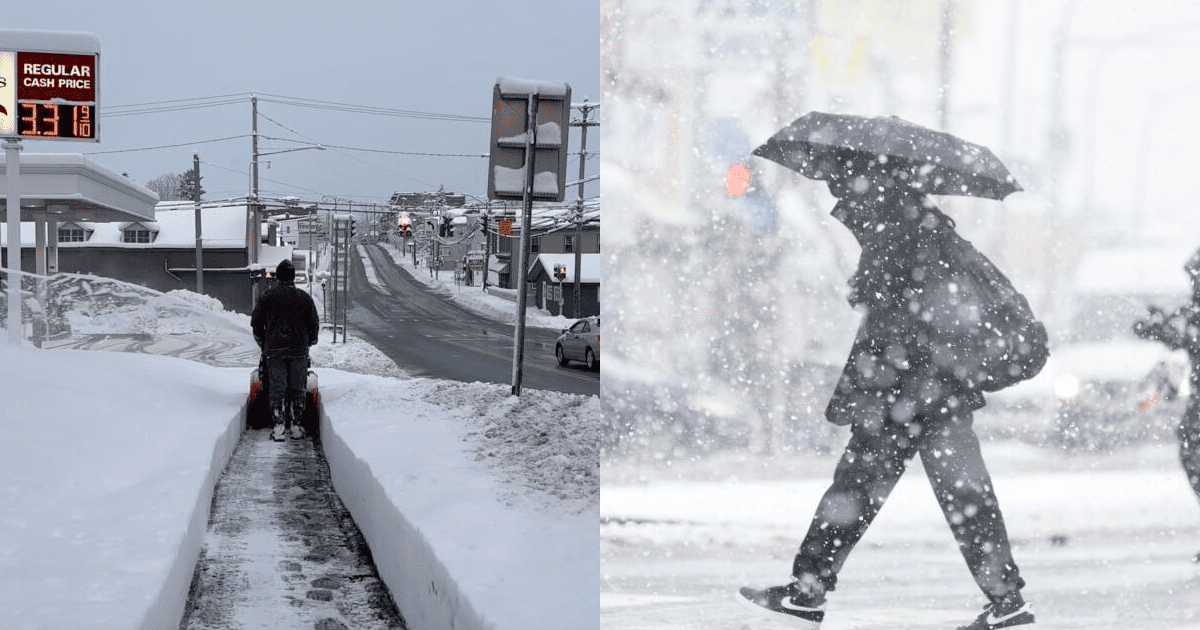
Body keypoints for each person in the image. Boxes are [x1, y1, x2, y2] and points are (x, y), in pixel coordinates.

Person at [737, 159, 1035, 630]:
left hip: (903, 393)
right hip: (937, 392)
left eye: (845, 191)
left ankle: (808, 592)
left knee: (854, 491)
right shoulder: (930, 233)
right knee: (965, 496)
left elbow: (898, 312)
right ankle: (1006, 601)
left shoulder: (900, 234)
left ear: (874, 190)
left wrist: (867, 288)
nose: (841, 201)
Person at [1134, 248, 1200, 562]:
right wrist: (1155, 326)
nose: (1193, 283)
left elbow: (1181, 334)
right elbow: (1176, 334)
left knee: (1192, 448)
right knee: (1191, 448)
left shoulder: (1194, 312)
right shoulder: (1193, 311)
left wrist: (1161, 328)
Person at [251, 258, 320, 442]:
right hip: (298, 351)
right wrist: (309, 342)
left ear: (278, 277)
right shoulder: (304, 298)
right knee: (298, 388)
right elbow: (314, 325)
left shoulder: (267, 297)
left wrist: (264, 344)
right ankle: (296, 426)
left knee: (277, 388)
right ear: (293, 277)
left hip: (274, 352)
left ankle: (279, 427)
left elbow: (256, 324)